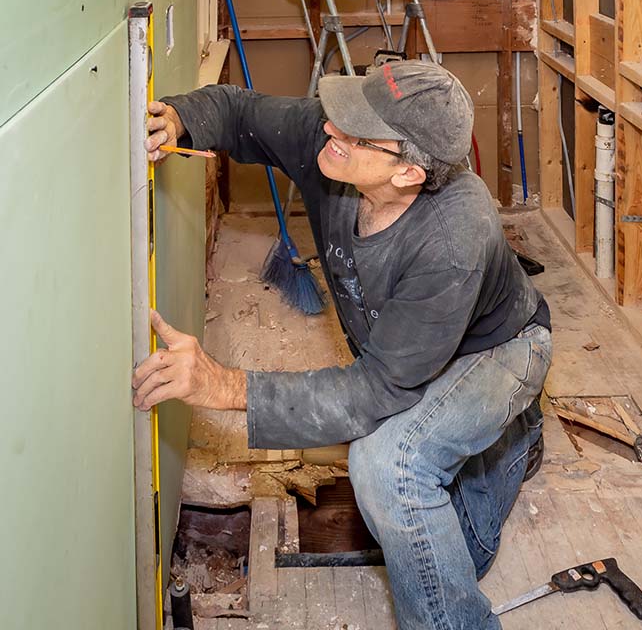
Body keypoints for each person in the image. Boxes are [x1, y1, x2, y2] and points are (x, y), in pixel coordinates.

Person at [131, 59, 551, 629]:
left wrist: (224, 386)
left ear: (408, 173)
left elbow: (376, 388)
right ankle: (498, 437)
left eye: (358, 132)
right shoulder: (334, 143)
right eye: (345, 113)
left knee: (389, 469)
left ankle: (514, 428)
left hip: (498, 350)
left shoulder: (454, 239)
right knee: (433, 550)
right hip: (409, 346)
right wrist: (180, 117)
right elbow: (241, 112)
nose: (331, 128)